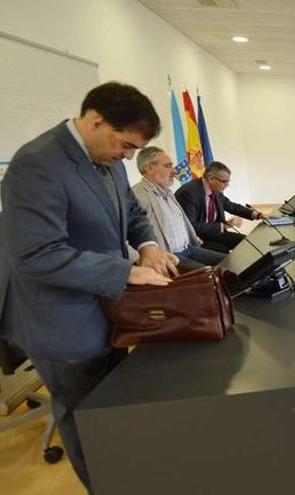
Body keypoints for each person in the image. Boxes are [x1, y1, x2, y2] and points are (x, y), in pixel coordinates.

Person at [0, 82, 177, 489]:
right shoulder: (36, 164)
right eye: (127, 145)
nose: (129, 157)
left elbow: (132, 212)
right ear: (95, 120)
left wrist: (148, 247)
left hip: (106, 309)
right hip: (60, 321)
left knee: (111, 410)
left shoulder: (108, 156)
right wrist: (125, 271)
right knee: (86, 419)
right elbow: (36, 254)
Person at [132, 146, 226, 268]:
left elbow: (180, 222)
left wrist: (191, 236)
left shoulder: (169, 193)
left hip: (189, 248)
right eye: (168, 166)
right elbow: (126, 235)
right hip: (170, 256)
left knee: (230, 263)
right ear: (149, 168)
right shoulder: (137, 195)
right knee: (212, 276)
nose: (174, 171)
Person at [175, 161, 267, 253]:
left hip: (214, 233)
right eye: (224, 182)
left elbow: (232, 206)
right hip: (197, 238)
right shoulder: (189, 193)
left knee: (246, 241)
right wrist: (224, 226)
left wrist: (258, 215)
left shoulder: (216, 190)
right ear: (211, 179)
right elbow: (191, 226)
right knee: (222, 250)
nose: (227, 185)